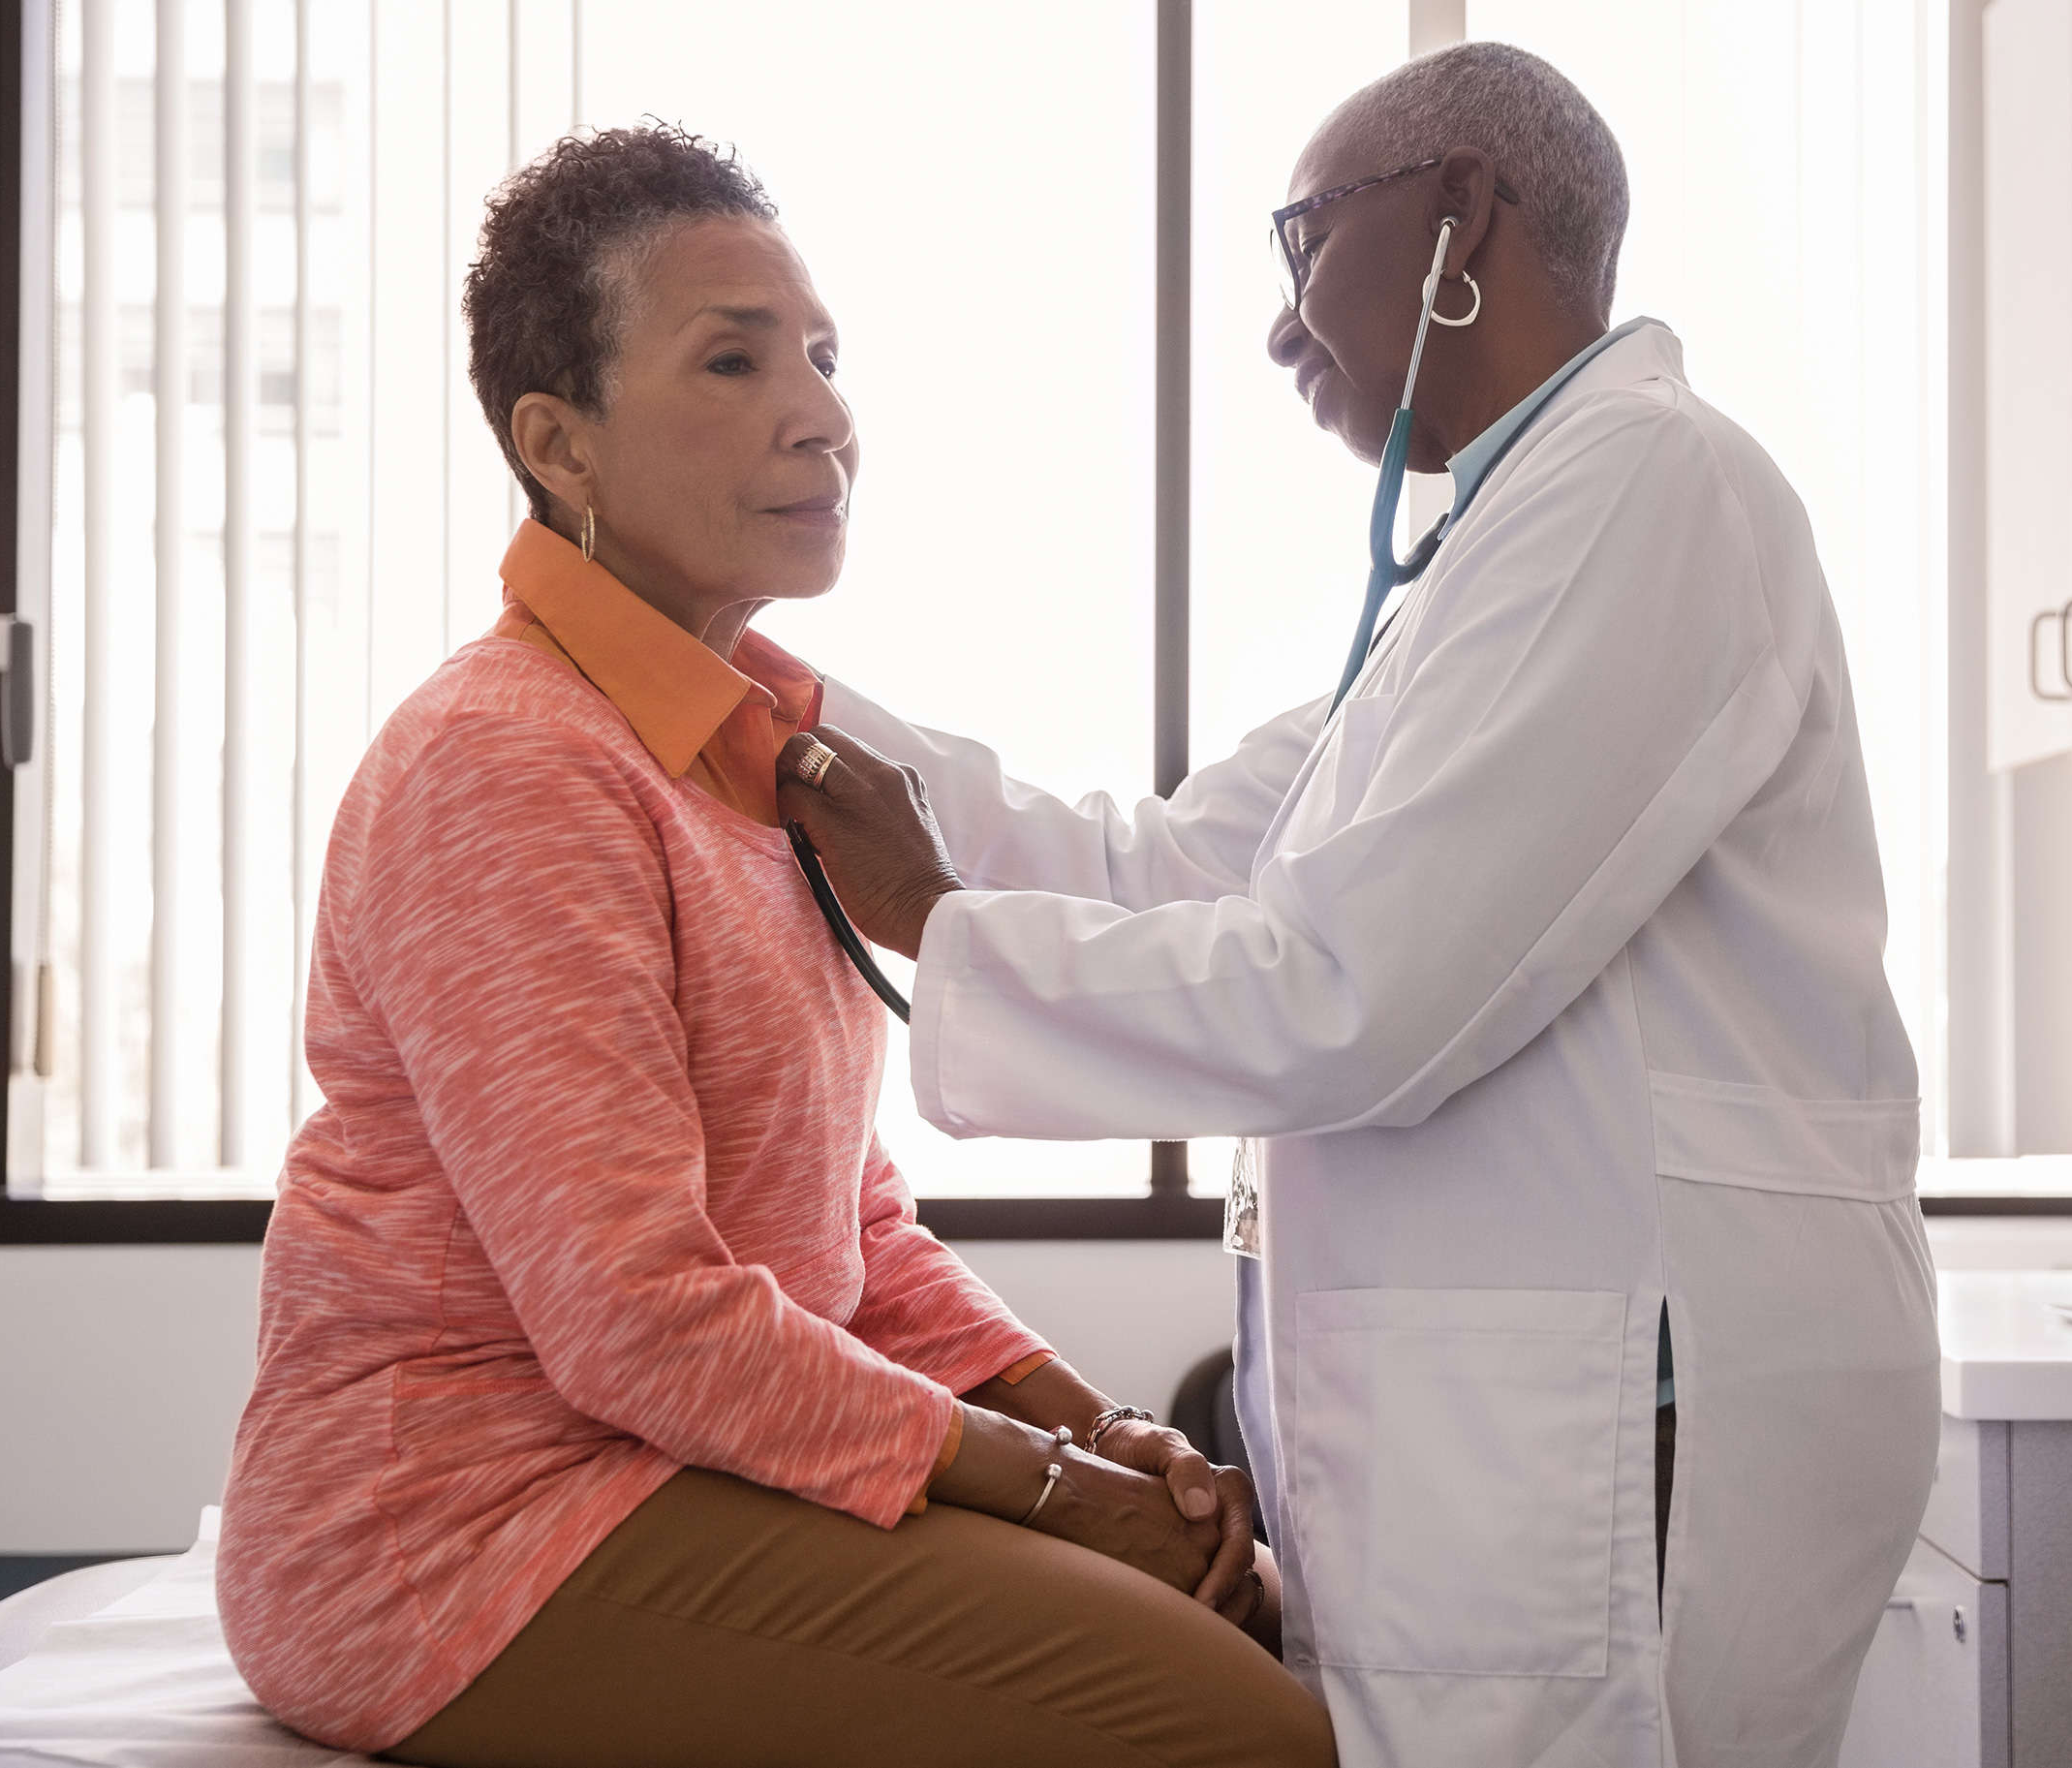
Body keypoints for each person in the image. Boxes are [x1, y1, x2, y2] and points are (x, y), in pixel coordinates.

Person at [782, 42, 1941, 1768]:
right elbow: (1156, 861)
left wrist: (936, 916)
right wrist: (761, 695)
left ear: (1463, 212)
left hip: (1632, 1409)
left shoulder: (1649, 489)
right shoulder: (1501, 551)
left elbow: (1356, 989)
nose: (1276, 323)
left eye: (1304, 241)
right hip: (1524, 1412)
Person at [214, 125, 1332, 1768]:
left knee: (1246, 1624)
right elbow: (639, 1319)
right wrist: (1053, 1492)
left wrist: (1100, 1429)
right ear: (560, 445)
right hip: (457, 1532)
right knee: (1233, 1727)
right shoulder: (508, 758)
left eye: (820, 354)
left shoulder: (750, 751)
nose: (821, 414)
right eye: (732, 361)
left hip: (668, 1464)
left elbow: (850, 1228)